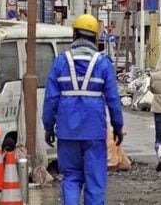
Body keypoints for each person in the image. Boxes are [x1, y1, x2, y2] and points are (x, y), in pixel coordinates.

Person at [43, 14, 123, 205]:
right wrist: (117, 127)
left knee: (70, 176)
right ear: (95, 37)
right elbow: (113, 99)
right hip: (94, 131)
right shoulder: (103, 63)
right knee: (95, 180)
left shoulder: (61, 62)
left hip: (67, 130)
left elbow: (51, 98)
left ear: (75, 34)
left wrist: (48, 126)